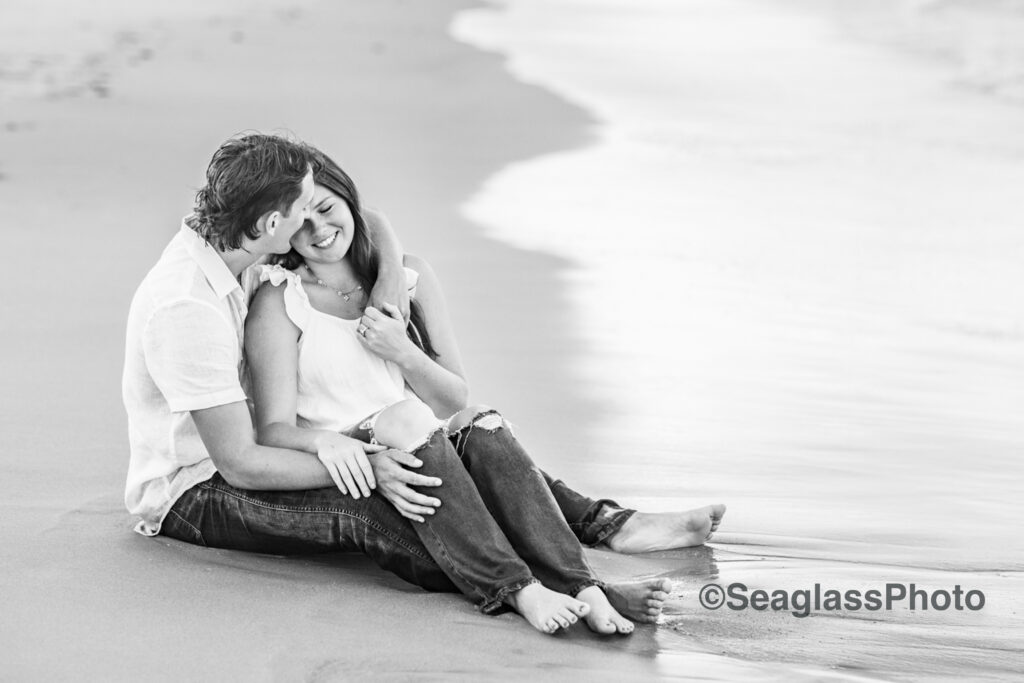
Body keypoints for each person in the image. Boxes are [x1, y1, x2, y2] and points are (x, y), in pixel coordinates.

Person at [122, 133, 723, 635]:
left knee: (478, 437)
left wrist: (386, 291)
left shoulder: (240, 251)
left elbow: (370, 220)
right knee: (384, 511)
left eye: (320, 205)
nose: (313, 221)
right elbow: (243, 463)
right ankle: (525, 588)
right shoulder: (191, 307)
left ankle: (584, 574)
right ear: (272, 224)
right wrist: (367, 463)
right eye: (300, 211)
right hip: (196, 490)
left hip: (297, 445)